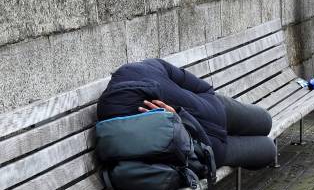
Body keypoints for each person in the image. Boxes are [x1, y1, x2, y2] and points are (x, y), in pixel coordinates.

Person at [97, 58, 277, 170]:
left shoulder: (144, 69)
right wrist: (178, 119)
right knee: (269, 149)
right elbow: (167, 155)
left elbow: (202, 87)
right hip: (211, 151)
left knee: (265, 120)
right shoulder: (123, 120)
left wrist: (201, 102)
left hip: (219, 110)